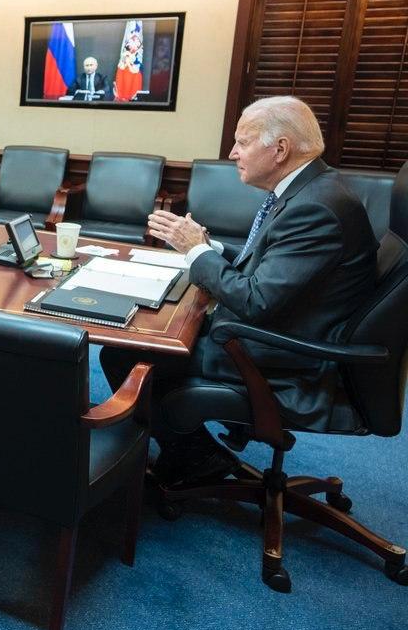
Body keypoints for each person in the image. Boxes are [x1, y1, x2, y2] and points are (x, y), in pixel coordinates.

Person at [99, 95, 378, 486]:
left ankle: (193, 456)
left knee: (127, 352)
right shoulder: (312, 190)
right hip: (284, 333)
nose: (232, 153)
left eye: (243, 142)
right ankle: (191, 448)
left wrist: (197, 252)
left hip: (286, 357)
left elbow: (255, 300)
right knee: (148, 335)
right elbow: (270, 266)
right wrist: (208, 248)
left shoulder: (315, 208)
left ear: (280, 149)